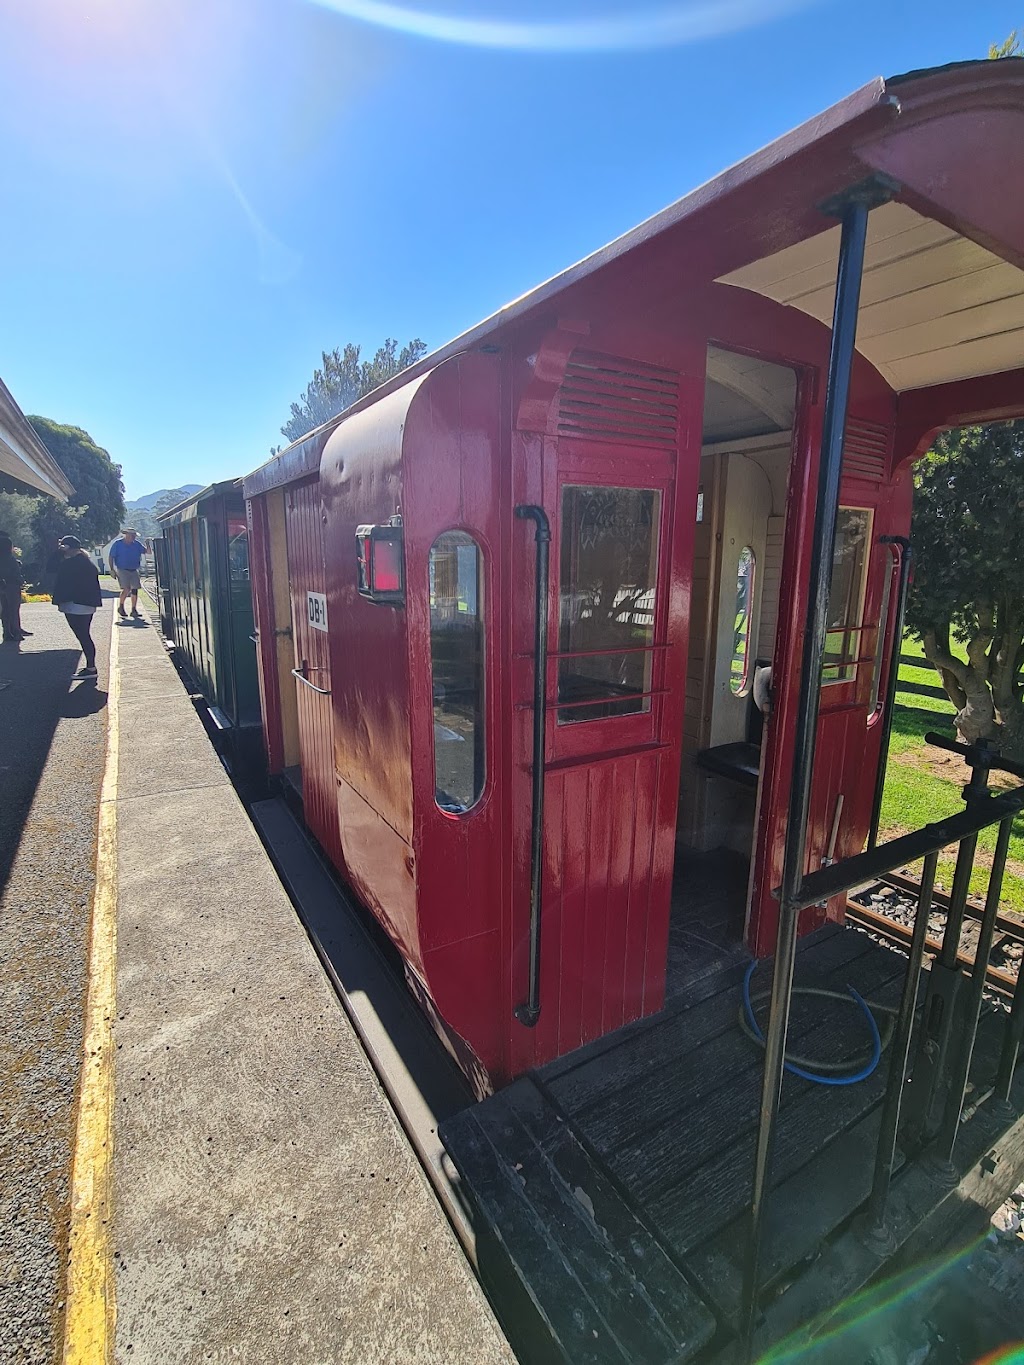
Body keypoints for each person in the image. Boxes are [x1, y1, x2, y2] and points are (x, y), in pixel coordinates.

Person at [52, 536, 102, 679]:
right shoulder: (86, 562)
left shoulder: (70, 564)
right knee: (85, 635)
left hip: (75, 604)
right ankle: (91, 666)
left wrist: (58, 552)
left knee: (83, 636)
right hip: (87, 604)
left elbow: (50, 567)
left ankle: (91, 668)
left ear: (67, 548)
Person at [108, 527, 147, 619]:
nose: (133, 537)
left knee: (135, 589)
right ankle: (121, 606)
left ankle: (133, 609)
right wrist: (111, 569)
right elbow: (111, 556)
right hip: (122, 569)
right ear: (126, 535)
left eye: (134, 535)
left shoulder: (137, 544)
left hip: (134, 569)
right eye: (131, 535)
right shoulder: (118, 544)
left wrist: (147, 544)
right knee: (126, 588)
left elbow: (147, 552)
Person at [0, 533, 29, 644]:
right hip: (12, 586)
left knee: (5, 610)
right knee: (14, 610)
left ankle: (7, 632)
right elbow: (16, 574)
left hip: (1, 586)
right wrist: (21, 582)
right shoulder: (11, 560)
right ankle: (16, 632)